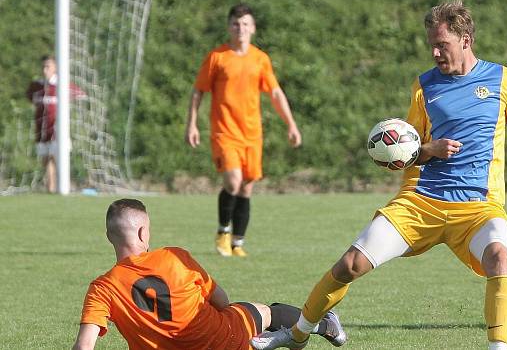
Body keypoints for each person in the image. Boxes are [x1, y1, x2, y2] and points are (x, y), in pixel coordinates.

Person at [250, 0, 507, 350]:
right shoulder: (424, 86)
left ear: (466, 39)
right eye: (430, 44)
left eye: (441, 44)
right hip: (420, 202)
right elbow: (404, 151)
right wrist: (430, 150)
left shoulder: (504, 80)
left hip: (478, 208)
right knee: (349, 265)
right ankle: (296, 335)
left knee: (499, 257)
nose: (434, 52)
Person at [72, 198, 346, 350]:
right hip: (225, 340)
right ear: (144, 233)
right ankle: (324, 326)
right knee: (265, 312)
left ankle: (296, 338)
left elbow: (84, 345)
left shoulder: (101, 288)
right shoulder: (174, 256)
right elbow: (223, 301)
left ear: (109, 237)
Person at [185, 3, 302, 257]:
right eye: (236, 24)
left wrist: (291, 124)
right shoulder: (217, 57)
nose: (241, 29)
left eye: (246, 24)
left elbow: (275, 93)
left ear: (253, 28)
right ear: (229, 27)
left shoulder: (260, 59)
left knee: (247, 187)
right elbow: (198, 91)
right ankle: (222, 231)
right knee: (233, 181)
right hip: (224, 132)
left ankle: (238, 243)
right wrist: (192, 123)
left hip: (252, 134)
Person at [26, 55, 84, 193]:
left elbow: (81, 94)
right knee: (46, 159)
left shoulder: (62, 84)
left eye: (48, 66)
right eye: (43, 67)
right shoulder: (36, 85)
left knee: (57, 156)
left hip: (58, 129)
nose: (45, 70)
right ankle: (51, 189)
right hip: (41, 129)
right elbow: (30, 97)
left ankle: (64, 186)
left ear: (56, 68)